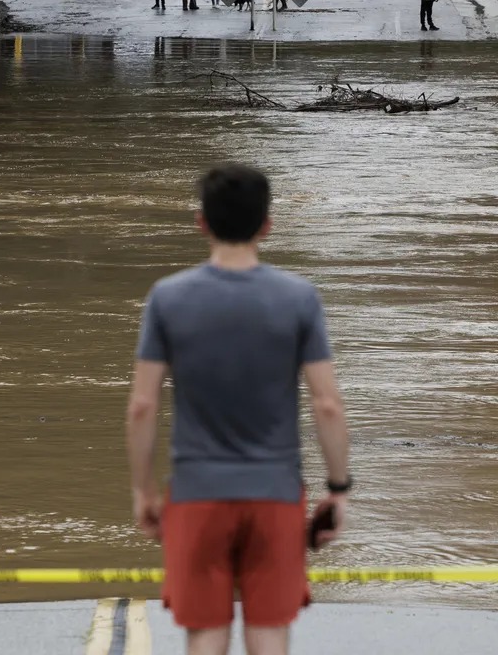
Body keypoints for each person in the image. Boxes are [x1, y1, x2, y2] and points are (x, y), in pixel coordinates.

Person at [127, 163, 351, 655]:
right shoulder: (299, 298)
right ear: (267, 225)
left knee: (205, 634)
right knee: (269, 633)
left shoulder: (167, 298)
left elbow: (143, 405)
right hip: (273, 493)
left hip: (197, 494)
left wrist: (144, 490)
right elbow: (327, 405)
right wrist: (337, 490)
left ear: (201, 222)